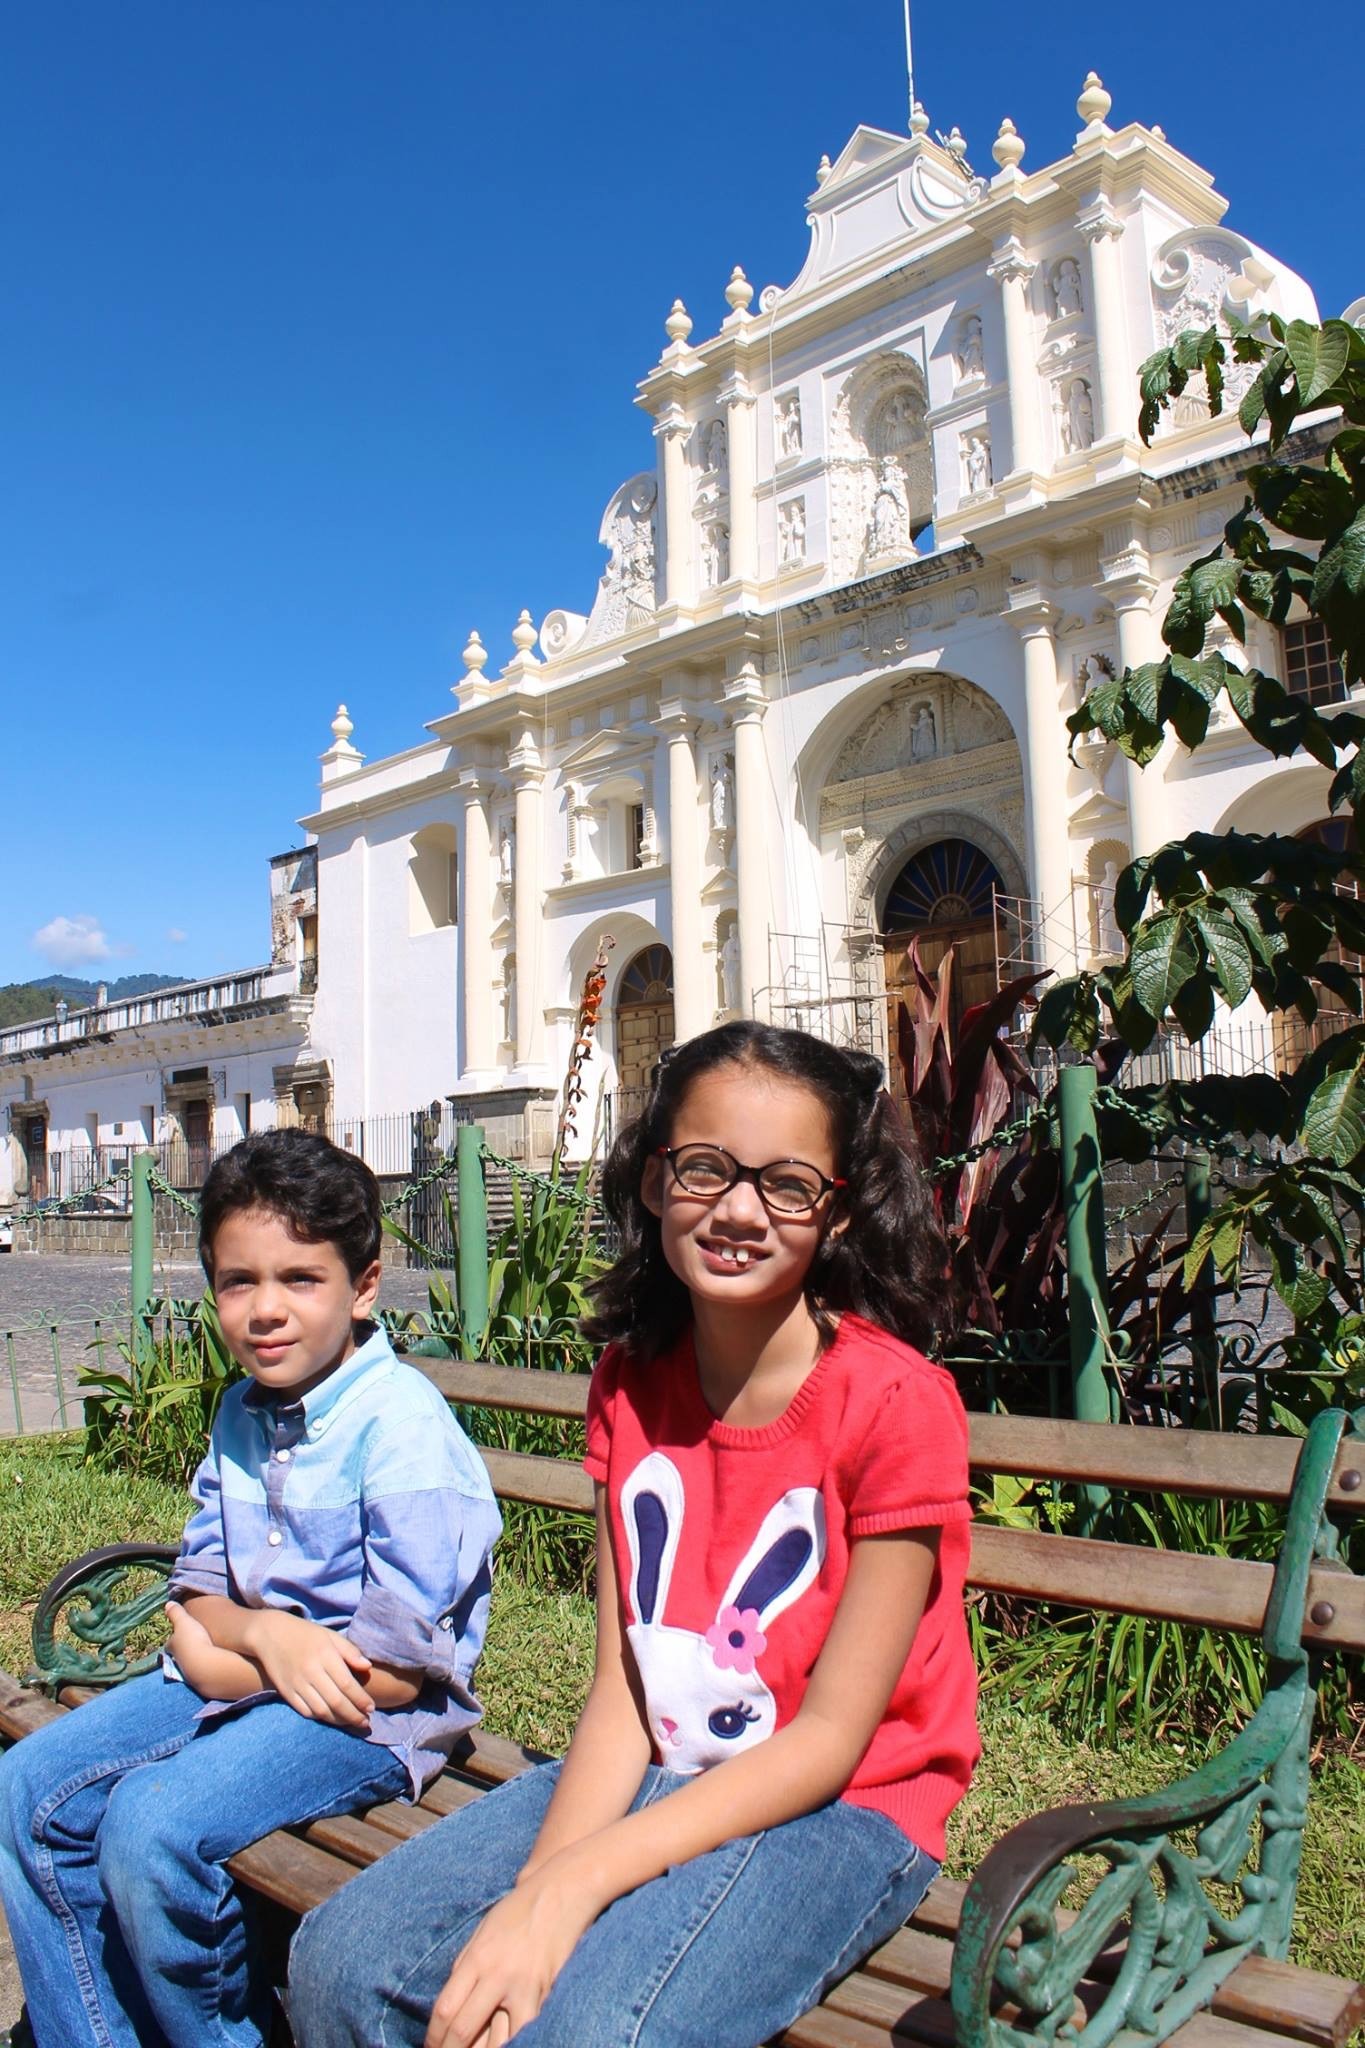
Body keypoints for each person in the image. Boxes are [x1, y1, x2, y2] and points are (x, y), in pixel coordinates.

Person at [291, 1021, 978, 2048]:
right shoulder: (629, 1381)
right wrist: (536, 1894)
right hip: (658, 1760)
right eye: (704, 1168)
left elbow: (832, 1740)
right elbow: (624, 1681)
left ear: (836, 1213)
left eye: (787, 1184)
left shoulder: (896, 1403)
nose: (740, 1209)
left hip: (843, 1806)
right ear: (654, 1181)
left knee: (586, 2033)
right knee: (340, 1965)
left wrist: (574, 1888)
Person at [0, 1129, 501, 2048]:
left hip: (376, 1723)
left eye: (300, 1279)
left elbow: (390, 1674)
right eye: (238, 1281)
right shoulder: (244, 1410)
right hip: (264, 1678)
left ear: (362, 1285)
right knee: (25, 1787)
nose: (265, 1310)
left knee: (153, 1830)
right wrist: (270, 1639)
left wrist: (225, 1650)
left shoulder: (401, 1433)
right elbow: (193, 1595)